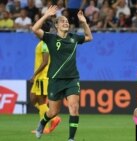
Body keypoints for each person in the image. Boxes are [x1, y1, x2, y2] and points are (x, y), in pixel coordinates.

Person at [31, 5, 93, 141]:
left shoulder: (74, 38)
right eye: (62, 21)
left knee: (74, 108)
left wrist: (83, 22)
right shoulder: (50, 39)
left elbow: (89, 37)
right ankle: (42, 122)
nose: (66, 23)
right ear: (56, 25)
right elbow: (34, 29)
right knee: (53, 111)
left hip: (72, 78)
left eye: (67, 22)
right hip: (55, 79)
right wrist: (46, 15)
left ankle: (71, 138)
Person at [30, 21, 61, 134]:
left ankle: (51, 120)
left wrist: (35, 74)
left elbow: (45, 62)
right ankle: (48, 121)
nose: (34, 32)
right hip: (40, 77)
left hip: (43, 77)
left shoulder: (45, 43)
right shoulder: (46, 42)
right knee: (33, 99)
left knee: (41, 101)